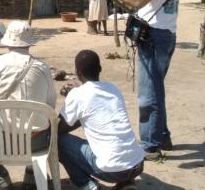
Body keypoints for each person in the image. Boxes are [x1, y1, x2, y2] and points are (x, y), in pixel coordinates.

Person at [95, 0, 179, 160]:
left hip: (154, 36)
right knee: (156, 89)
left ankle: (150, 147)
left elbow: (137, 2)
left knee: (148, 93)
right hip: (164, 34)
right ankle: (162, 137)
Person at [0, 21, 56, 190]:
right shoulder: (43, 68)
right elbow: (50, 106)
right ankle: (32, 176)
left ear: (7, 42)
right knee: (41, 121)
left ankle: (0, 178)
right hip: (37, 142)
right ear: (29, 43)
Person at [58, 50, 145, 190]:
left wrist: (71, 97)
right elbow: (94, 104)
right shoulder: (113, 89)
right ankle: (126, 183)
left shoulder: (77, 95)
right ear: (100, 69)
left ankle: (89, 186)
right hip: (137, 165)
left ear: (77, 72)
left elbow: (59, 128)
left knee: (58, 141)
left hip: (111, 170)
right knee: (113, 143)